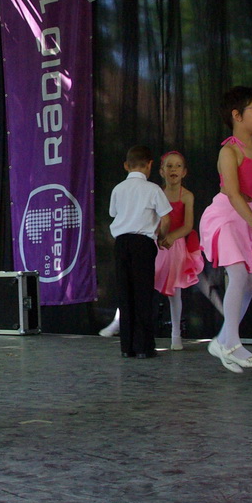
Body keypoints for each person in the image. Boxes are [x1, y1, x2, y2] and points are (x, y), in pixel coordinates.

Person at [199, 86, 252, 374]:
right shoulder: (229, 151)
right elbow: (234, 196)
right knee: (237, 275)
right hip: (225, 215)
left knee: (251, 284)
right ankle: (232, 344)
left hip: (247, 214)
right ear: (237, 115)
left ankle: (222, 340)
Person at [109, 145, 172, 359]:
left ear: (126, 166)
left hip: (121, 243)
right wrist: (162, 237)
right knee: (143, 293)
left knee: (125, 293)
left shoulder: (118, 189)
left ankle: (126, 347)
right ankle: (144, 347)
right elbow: (166, 218)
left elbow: (113, 213)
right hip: (143, 243)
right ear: (150, 165)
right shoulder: (153, 189)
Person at [154, 151, 204, 351]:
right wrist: (159, 237)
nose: (173, 169)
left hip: (176, 245)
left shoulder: (187, 196)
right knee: (142, 283)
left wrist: (172, 237)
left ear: (184, 172)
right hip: (157, 242)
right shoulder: (157, 193)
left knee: (174, 291)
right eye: (169, 166)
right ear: (161, 171)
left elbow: (188, 225)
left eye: (177, 166)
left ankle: (176, 334)